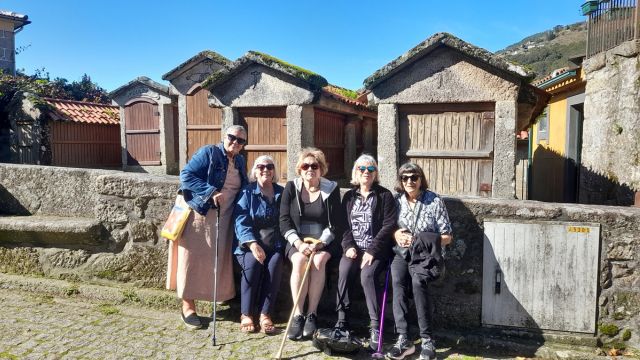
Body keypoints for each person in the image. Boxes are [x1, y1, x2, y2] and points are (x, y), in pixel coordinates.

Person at [166, 125, 249, 330]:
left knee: (218, 260)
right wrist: (211, 191)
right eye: (232, 137)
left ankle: (217, 295)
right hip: (201, 215)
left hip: (226, 217)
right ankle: (188, 306)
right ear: (224, 136)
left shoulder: (239, 161)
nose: (235, 142)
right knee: (192, 259)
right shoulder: (208, 153)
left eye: (241, 141)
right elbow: (186, 175)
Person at [387, 162, 452, 360]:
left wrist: (422, 239)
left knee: (418, 282)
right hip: (403, 253)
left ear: (421, 179)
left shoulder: (434, 201)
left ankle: (427, 340)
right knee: (397, 279)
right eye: (405, 178)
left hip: (426, 256)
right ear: (400, 181)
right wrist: (396, 233)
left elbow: (448, 236)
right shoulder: (397, 200)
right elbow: (388, 227)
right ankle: (404, 338)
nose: (409, 181)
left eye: (414, 177)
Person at [334, 154, 397, 351]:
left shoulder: (385, 195)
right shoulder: (349, 196)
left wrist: (371, 250)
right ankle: (342, 321)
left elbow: (388, 225)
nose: (366, 173)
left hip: (375, 251)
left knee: (367, 276)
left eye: (370, 169)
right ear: (355, 172)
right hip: (354, 249)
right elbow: (343, 226)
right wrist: (348, 246)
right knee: (344, 271)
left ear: (375, 173)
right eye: (362, 169)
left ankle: (375, 326)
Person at [279, 147, 342, 340]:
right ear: (300, 169)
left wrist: (321, 243)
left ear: (321, 169)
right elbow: (284, 220)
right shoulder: (291, 187)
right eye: (305, 165)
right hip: (297, 240)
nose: (310, 169)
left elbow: (335, 224)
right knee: (299, 261)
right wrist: (298, 243)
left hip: (323, 241)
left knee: (318, 261)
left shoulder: (331, 189)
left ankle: (312, 314)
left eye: (314, 165)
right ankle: (298, 314)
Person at [233, 155, 284, 334]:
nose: (265, 170)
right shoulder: (247, 192)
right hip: (250, 244)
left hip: (274, 244)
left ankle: (265, 314)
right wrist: (253, 245)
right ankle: (246, 313)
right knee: (253, 264)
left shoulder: (281, 192)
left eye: (269, 166)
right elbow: (241, 222)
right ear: (254, 171)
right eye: (260, 167)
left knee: (276, 263)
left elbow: (286, 220)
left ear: (274, 171)